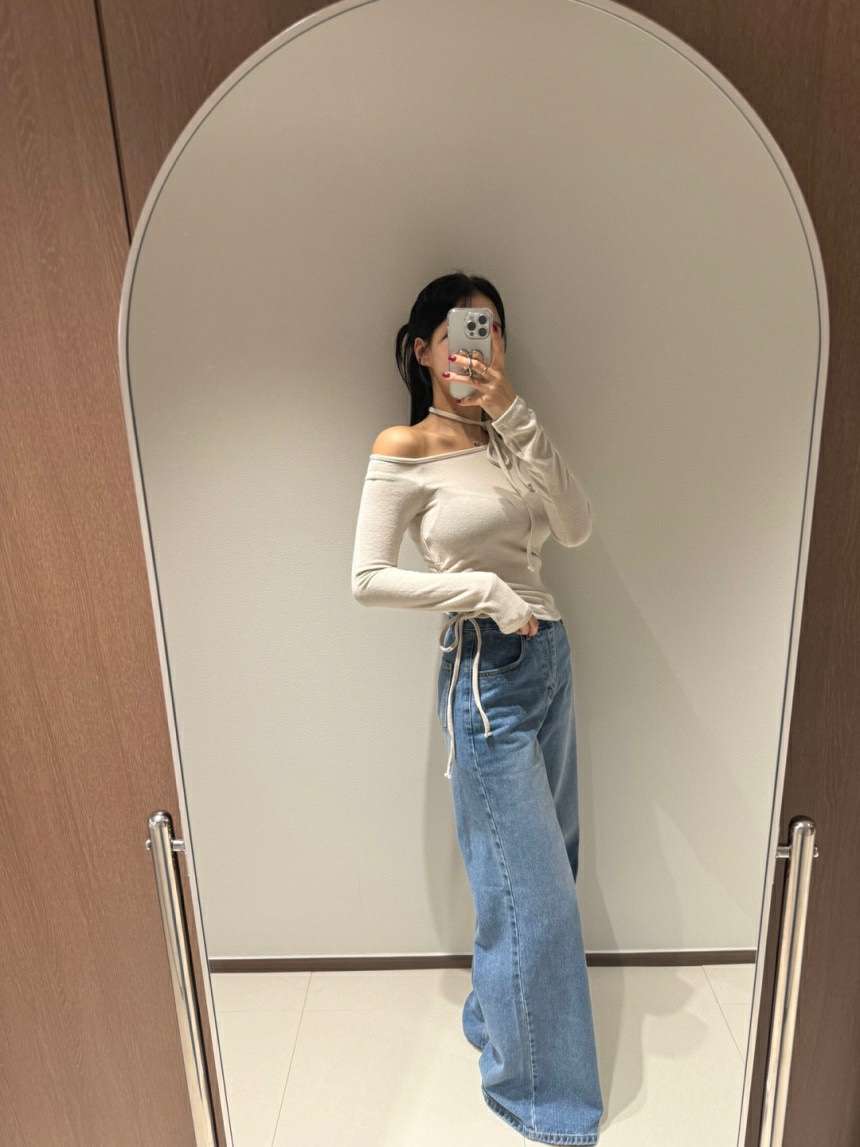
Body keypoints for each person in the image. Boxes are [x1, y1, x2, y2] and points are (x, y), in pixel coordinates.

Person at [350, 271, 604, 1144]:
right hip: (485, 671)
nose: (476, 345)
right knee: (531, 892)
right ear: (424, 347)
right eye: (462, 330)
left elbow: (576, 526)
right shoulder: (406, 445)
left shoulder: (511, 436)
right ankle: (546, 1104)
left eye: (490, 329)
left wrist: (514, 412)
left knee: (549, 867)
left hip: (551, 658)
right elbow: (367, 577)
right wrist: (486, 593)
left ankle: (496, 1018)